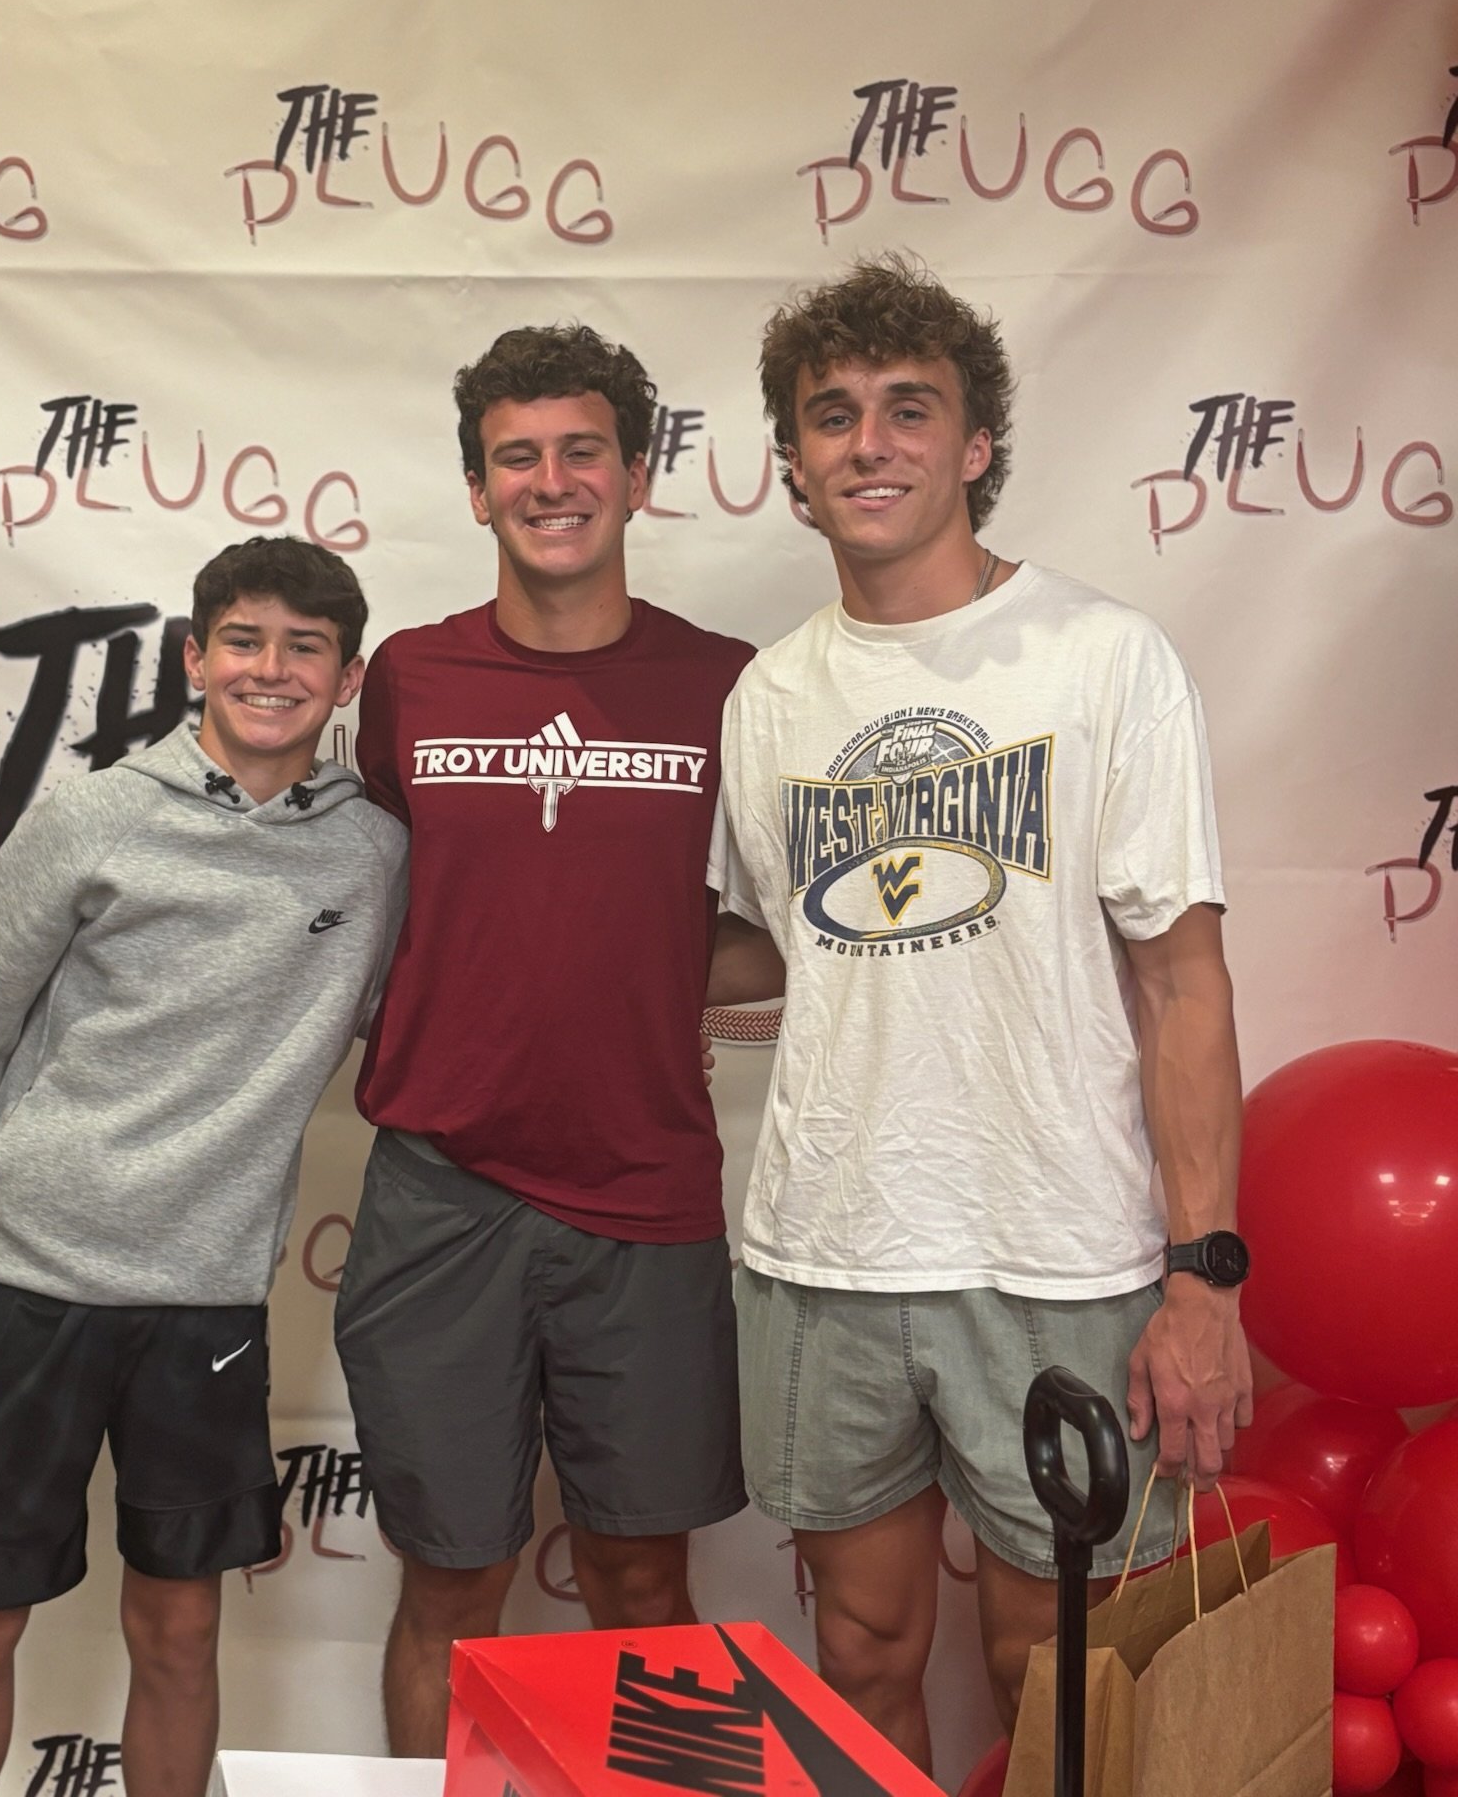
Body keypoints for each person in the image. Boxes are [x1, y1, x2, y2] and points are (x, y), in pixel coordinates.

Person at [707, 254, 1252, 1774]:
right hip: (826, 1247)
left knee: (1058, 1675)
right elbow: (758, 952)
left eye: (909, 408)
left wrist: (1205, 1277)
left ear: (975, 445)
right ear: (795, 463)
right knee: (861, 1651)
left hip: (1057, 1250)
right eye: (832, 415)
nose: (868, 442)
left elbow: (1183, 980)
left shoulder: (1106, 657)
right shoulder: (768, 699)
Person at [0, 536, 407, 1797]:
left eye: (306, 647)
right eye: (243, 639)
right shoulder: (94, 815)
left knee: (182, 1628)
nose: (270, 668)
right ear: (196, 657)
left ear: (348, 678)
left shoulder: (376, 855)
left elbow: (438, 1016)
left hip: (207, 1304)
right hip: (32, 1281)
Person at [335, 323, 753, 1755]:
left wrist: (640, 972)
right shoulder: (410, 676)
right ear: (477, 489)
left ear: (637, 477)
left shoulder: (732, 684)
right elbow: (372, 897)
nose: (552, 481)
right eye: (518, 456)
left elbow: (793, 920)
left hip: (645, 1188)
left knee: (643, 1579)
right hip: (440, 1190)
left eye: (584, 451)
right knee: (453, 1583)